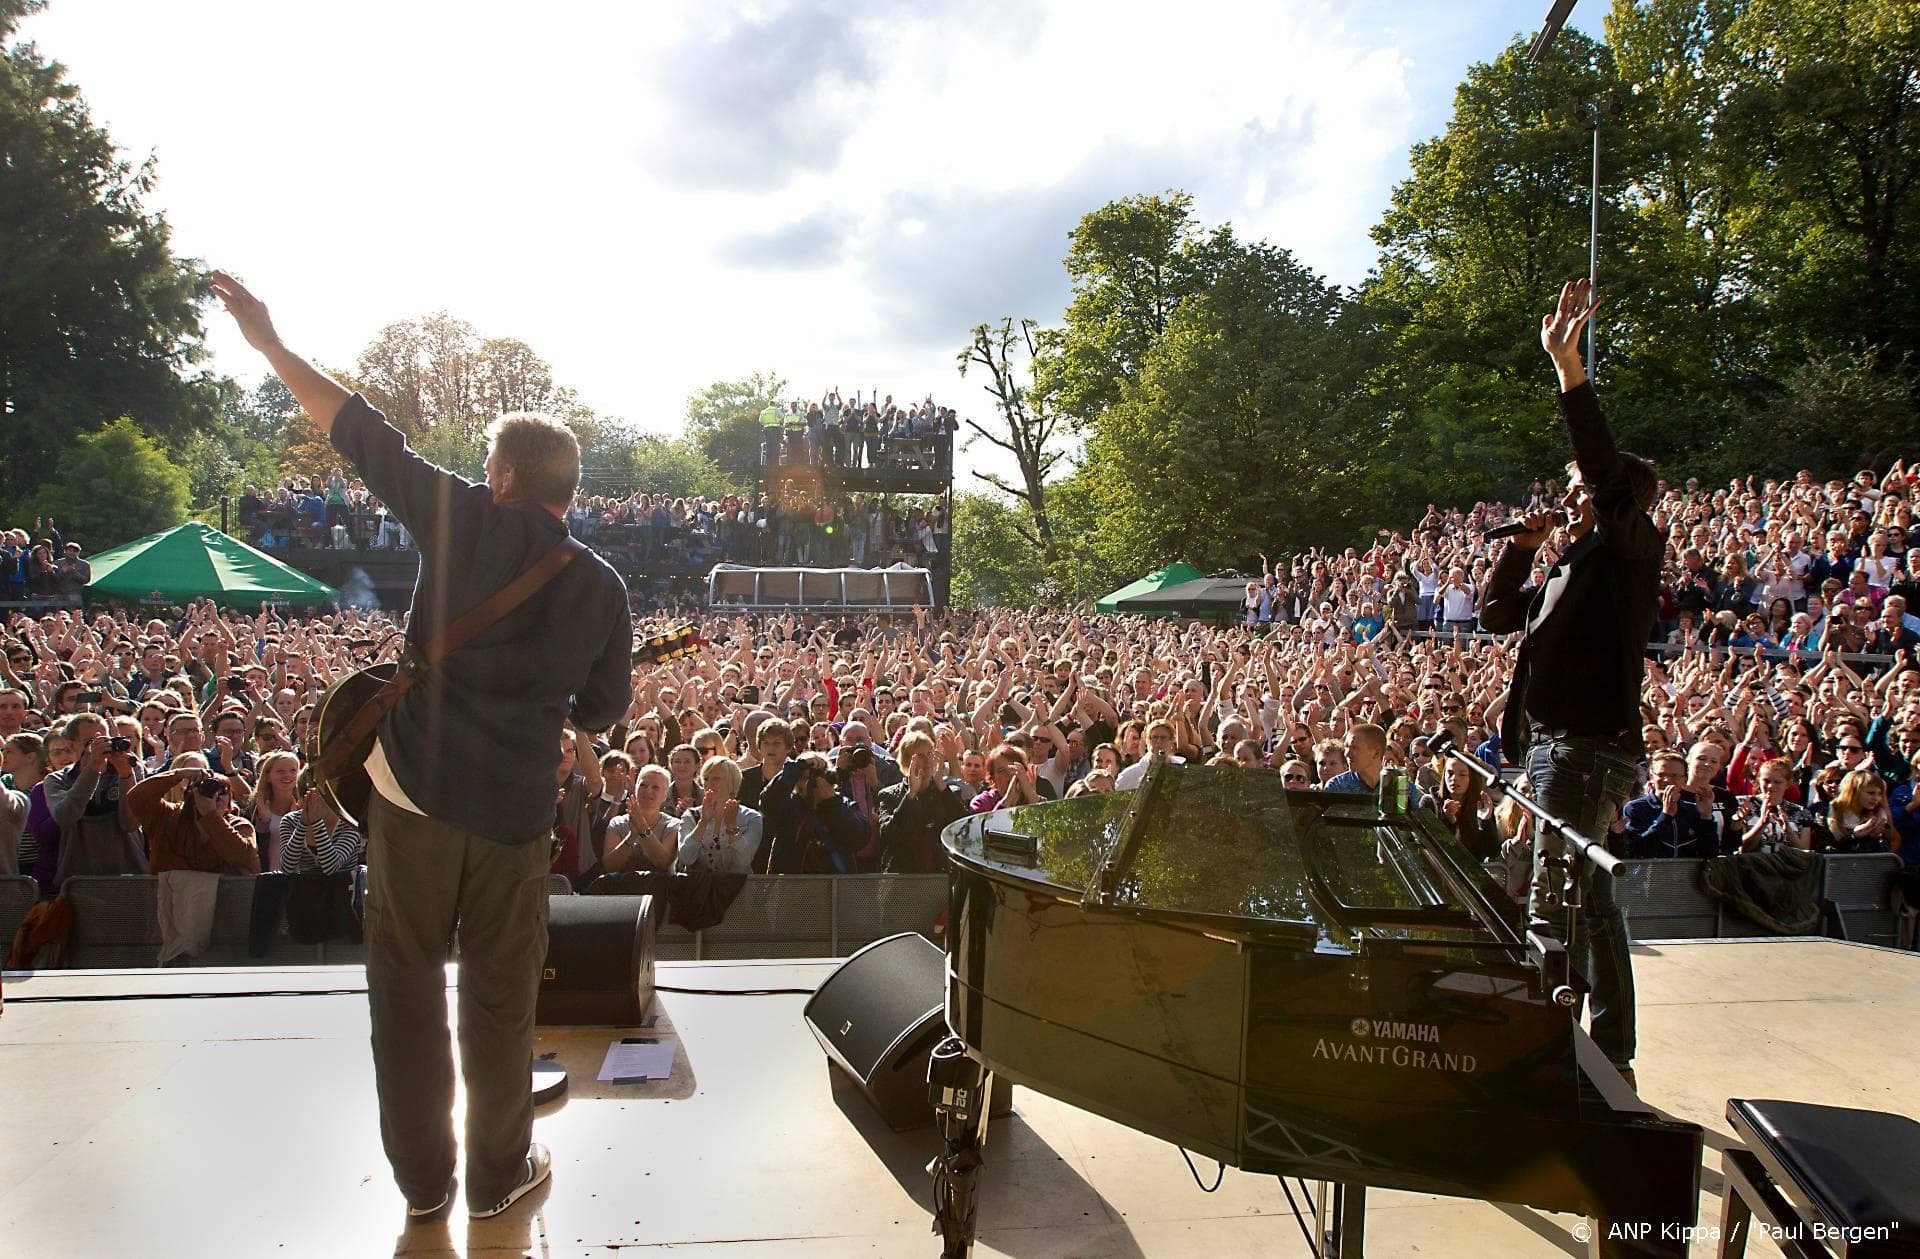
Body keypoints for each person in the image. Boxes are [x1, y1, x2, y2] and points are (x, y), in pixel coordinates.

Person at [213, 272, 633, 1223]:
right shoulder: (603, 587)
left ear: (503, 477)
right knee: (499, 998)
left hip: (411, 794)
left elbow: (357, 426)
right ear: (569, 489)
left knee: (404, 983)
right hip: (518, 813)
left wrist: (271, 345)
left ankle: (423, 1183)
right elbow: (603, 709)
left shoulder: (462, 516)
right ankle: (496, 1178)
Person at [1478, 279, 1660, 1090]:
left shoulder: (1628, 551)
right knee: (1585, 890)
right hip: (1557, 745)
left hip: (1588, 746)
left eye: (1587, 490)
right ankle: (1606, 1038)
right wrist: (1522, 549)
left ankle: (1562, 1046)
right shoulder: (1576, 562)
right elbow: (1495, 617)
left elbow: (1606, 471)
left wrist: (1569, 371)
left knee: (1560, 889)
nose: (1574, 496)